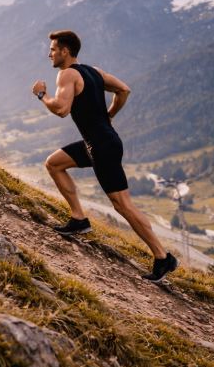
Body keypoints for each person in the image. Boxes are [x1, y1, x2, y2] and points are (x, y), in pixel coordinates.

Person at [31, 30, 178, 282]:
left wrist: (42, 95)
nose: (49, 53)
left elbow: (62, 110)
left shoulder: (66, 74)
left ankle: (163, 257)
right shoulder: (94, 71)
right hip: (100, 141)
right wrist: (110, 115)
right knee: (54, 163)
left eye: (53, 49)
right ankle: (78, 218)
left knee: (122, 204)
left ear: (65, 51)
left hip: (101, 146)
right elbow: (124, 90)